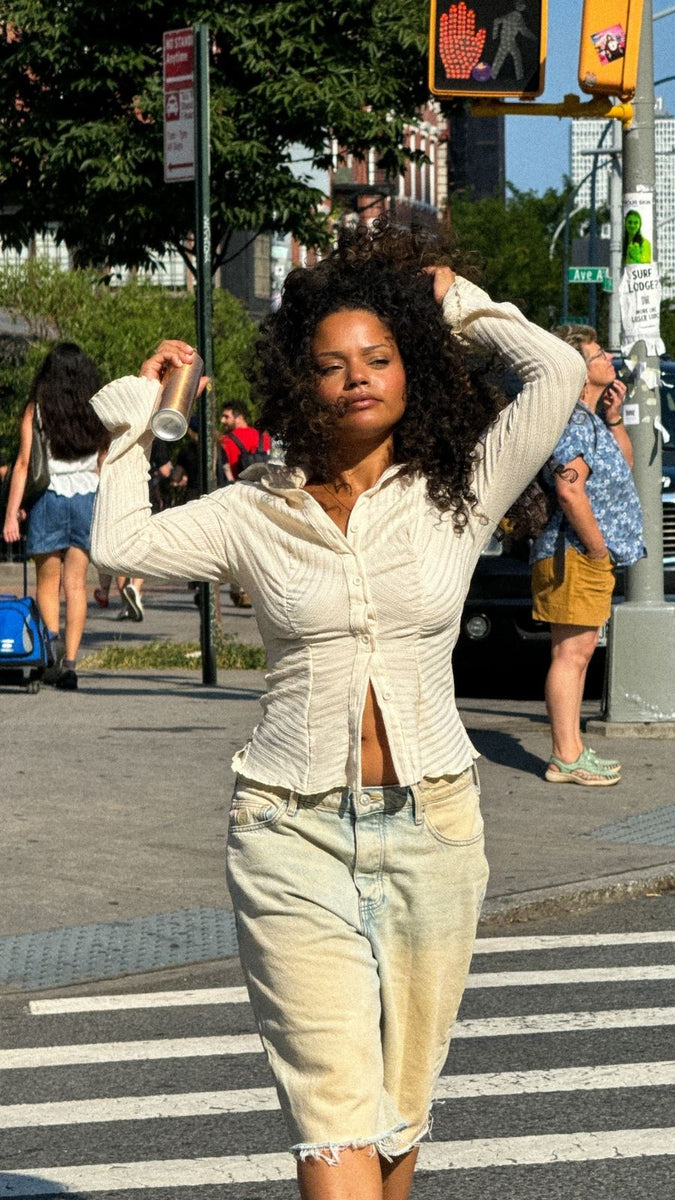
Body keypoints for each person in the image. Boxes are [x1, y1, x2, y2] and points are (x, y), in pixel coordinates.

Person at [90, 219, 584, 1200]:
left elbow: (558, 370)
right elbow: (122, 544)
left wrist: (459, 302)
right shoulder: (253, 509)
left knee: (397, 1120)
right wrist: (146, 411)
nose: (357, 376)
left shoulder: (461, 493)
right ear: (300, 384)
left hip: (435, 829)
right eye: (332, 364)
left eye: (379, 357)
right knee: (334, 1126)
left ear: (413, 373)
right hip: (287, 835)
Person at [530, 325, 645, 787]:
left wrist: (614, 417)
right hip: (575, 554)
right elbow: (569, 486)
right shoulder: (572, 421)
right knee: (571, 655)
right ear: (578, 369)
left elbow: (624, 466)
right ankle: (565, 755)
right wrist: (597, 548)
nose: (609, 359)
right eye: (599, 354)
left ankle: (571, 749)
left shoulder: (591, 418)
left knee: (576, 654)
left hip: (584, 555)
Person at [2, 342, 108, 690]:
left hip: (49, 499)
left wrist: (10, 516)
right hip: (86, 500)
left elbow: (22, 464)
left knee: (48, 583)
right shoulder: (99, 409)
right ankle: (71, 663)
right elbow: (106, 461)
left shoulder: (38, 410)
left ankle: (49, 650)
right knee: (76, 585)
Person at [220, 400, 271, 482]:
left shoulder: (226, 440)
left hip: (240, 487)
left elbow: (226, 470)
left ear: (239, 418)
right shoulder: (264, 437)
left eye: (226, 417)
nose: (222, 420)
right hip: (264, 485)